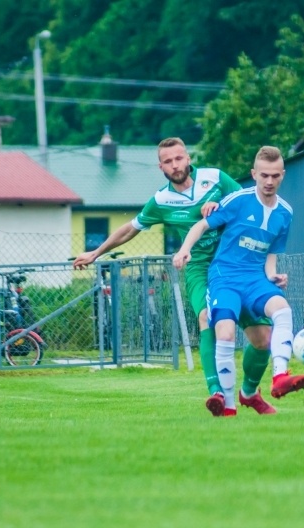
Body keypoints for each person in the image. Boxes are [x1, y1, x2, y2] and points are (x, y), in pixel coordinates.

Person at [73, 137, 277, 416]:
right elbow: (130, 229)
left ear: (188, 158)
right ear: (161, 167)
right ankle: (216, 392)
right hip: (200, 267)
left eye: (179, 158)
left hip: (234, 263)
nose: (175, 164)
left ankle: (249, 393)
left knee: (263, 338)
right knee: (207, 317)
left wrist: (220, 208)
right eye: (168, 161)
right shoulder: (161, 200)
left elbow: (247, 205)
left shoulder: (215, 179)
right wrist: (96, 252)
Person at [173, 146, 304, 414]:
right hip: (225, 277)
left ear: (282, 175)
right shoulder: (238, 200)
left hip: (255, 278)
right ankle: (229, 405)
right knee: (224, 331)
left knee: (281, 312)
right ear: (254, 174)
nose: (269, 182)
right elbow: (202, 225)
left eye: (274, 176)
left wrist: (273, 276)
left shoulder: (286, 213)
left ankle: (280, 376)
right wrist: (184, 249)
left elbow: (271, 251)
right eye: (264, 176)